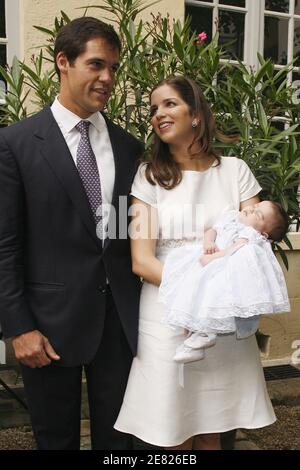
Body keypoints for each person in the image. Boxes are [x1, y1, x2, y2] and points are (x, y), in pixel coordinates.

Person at [0, 17, 143, 450]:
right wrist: (18, 327)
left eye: (114, 68)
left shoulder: (128, 146)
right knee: (55, 440)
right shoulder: (17, 144)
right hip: (46, 328)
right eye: (97, 65)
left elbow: (122, 232)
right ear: (63, 62)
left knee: (119, 443)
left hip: (118, 326)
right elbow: (5, 245)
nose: (108, 78)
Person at [114, 75, 276, 450]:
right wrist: (198, 294)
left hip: (223, 310)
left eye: (169, 104)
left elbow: (253, 246)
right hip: (167, 309)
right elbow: (141, 260)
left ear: (197, 114)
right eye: (154, 108)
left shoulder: (236, 172)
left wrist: (216, 296)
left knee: (213, 427)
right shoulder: (147, 176)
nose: (158, 113)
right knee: (171, 427)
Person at [159, 201, 290, 364]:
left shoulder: (250, 235)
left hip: (222, 267)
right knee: (194, 293)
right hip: (211, 261)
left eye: (258, 214)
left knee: (213, 299)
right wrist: (208, 242)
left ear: (263, 234)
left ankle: (205, 335)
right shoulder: (231, 218)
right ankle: (194, 335)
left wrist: (212, 258)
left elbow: (233, 250)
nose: (251, 209)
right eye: (255, 206)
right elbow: (212, 230)